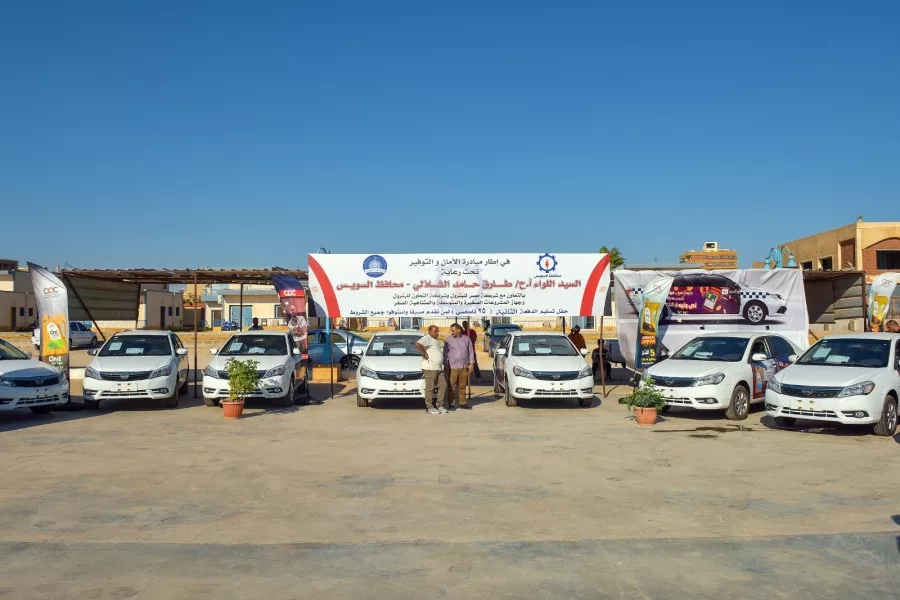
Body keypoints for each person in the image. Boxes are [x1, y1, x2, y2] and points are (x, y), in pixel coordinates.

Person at [416, 326, 448, 415]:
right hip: (430, 368)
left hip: (438, 368)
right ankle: (429, 407)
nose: (437, 333)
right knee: (430, 388)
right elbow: (418, 344)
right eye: (435, 331)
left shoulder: (435, 340)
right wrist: (424, 353)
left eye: (438, 331)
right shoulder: (427, 338)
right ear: (429, 331)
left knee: (443, 385)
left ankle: (439, 405)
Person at [443, 323, 475, 410]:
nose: (451, 332)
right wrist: (445, 364)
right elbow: (445, 353)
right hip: (452, 366)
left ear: (459, 330)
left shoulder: (466, 339)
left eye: (453, 331)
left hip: (464, 366)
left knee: (462, 385)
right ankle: (451, 404)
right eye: (451, 331)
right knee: (452, 386)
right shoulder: (448, 340)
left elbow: (471, 351)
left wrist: (471, 363)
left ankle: (463, 403)